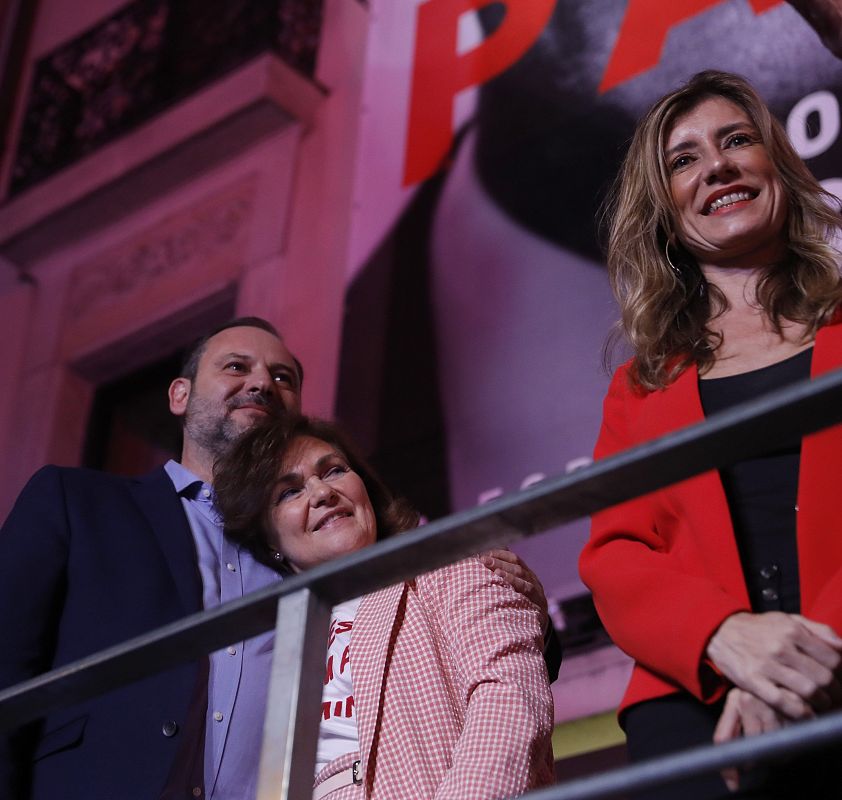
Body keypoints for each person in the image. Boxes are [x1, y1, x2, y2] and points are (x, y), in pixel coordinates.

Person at [0, 315, 559, 800]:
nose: (262, 383)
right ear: (179, 395)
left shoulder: (320, 549)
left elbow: (491, 660)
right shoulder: (76, 502)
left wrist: (522, 595)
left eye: (283, 377)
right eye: (236, 367)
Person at [578, 70, 842, 798]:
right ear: (665, 213)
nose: (717, 167)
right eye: (684, 160)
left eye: (737, 140)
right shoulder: (640, 386)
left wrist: (801, 656)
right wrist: (725, 637)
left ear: (777, 166)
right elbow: (616, 555)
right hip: (696, 692)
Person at [213, 414, 556, 799]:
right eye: (289, 492)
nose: (322, 492)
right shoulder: (272, 647)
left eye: (334, 471)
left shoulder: (448, 564)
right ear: (270, 541)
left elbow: (509, 699)